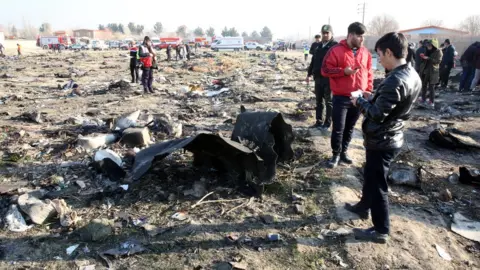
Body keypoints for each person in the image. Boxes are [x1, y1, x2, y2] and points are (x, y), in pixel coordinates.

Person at [346, 32, 421, 244]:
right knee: (370, 175)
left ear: (389, 52)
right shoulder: (410, 73)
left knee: (378, 184)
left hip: (383, 139)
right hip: (390, 135)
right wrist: (373, 97)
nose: (379, 59)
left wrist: (360, 101)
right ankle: (363, 207)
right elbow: (391, 104)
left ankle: (381, 229)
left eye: (379, 55)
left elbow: (378, 115)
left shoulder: (396, 79)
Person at [322, 22, 373, 168]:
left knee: (350, 127)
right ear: (351, 35)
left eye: (363, 36)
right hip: (341, 97)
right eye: (359, 36)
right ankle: (335, 154)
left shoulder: (365, 53)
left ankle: (344, 152)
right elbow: (325, 70)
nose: (362, 39)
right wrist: (343, 71)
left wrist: (368, 89)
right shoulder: (336, 50)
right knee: (338, 127)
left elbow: (369, 72)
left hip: (359, 98)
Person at [306, 24, 338, 130]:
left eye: (327, 33)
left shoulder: (335, 46)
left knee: (329, 101)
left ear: (331, 34)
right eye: (323, 33)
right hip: (318, 77)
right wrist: (309, 74)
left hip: (329, 78)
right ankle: (318, 121)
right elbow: (313, 60)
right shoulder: (318, 46)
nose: (325, 35)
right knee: (318, 101)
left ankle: (327, 123)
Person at [418, 39, 442, 108]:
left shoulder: (438, 52)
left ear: (433, 46)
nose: (428, 47)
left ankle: (432, 101)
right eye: (427, 46)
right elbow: (424, 60)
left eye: (429, 46)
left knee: (431, 87)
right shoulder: (427, 50)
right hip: (425, 70)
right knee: (424, 85)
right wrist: (423, 57)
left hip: (433, 71)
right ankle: (423, 99)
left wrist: (429, 58)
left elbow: (438, 61)